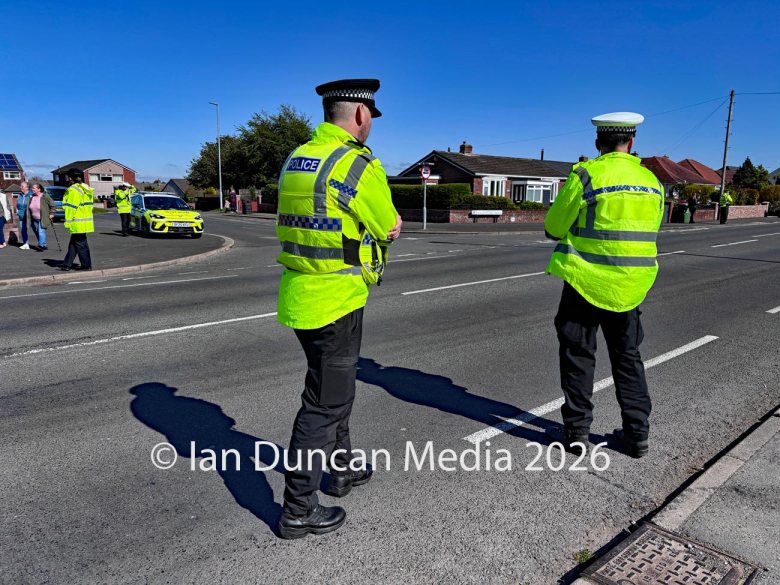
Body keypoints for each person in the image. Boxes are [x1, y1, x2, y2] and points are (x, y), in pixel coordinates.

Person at [274, 79, 402, 539]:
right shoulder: (356, 163)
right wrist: (390, 228)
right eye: (372, 120)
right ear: (361, 116)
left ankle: (342, 469)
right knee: (324, 404)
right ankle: (298, 509)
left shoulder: (298, 158)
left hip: (300, 294)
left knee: (334, 389)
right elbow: (387, 224)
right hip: (337, 298)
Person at [543, 112, 664, 459]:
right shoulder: (651, 181)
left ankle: (578, 433)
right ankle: (637, 434)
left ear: (598, 143)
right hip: (630, 287)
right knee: (628, 358)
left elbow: (553, 227)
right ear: (631, 143)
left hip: (585, 282)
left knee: (579, 356)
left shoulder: (586, 175)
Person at [60, 168, 95, 271]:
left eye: (68, 177)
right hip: (84, 221)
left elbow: (70, 208)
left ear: (70, 178)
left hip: (77, 222)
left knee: (80, 244)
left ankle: (86, 266)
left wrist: (68, 222)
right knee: (74, 243)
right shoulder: (86, 189)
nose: (67, 180)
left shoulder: (73, 190)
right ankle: (67, 264)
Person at [28, 184, 56, 251]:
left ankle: (41, 246)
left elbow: (53, 206)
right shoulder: (32, 197)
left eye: (34, 188)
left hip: (43, 218)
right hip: (34, 219)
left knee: (41, 232)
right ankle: (44, 245)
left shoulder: (45, 196)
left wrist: (52, 213)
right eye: (32, 188)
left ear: (39, 189)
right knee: (37, 232)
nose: (32, 189)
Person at [16, 181, 31, 249]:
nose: (20, 187)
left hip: (30, 216)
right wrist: (17, 211)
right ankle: (26, 243)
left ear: (27, 187)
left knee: (36, 229)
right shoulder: (20, 195)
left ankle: (42, 244)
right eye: (21, 186)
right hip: (21, 216)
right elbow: (17, 205)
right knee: (23, 230)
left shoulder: (31, 195)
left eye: (22, 186)